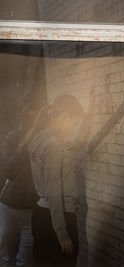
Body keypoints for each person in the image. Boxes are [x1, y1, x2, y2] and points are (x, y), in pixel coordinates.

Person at [27, 92, 93, 267]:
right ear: (65, 116)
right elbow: (55, 192)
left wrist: (88, 114)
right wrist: (62, 234)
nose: (72, 128)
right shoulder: (55, 146)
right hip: (58, 217)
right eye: (73, 123)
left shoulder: (39, 139)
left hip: (41, 215)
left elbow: (75, 142)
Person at [0, 98, 40, 267]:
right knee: (8, 258)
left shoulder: (44, 140)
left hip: (32, 211)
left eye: (33, 119)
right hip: (9, 207)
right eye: (26, 118)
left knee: (25, 261)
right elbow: (8, 170)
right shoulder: (13, 137)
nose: (28, 123)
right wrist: (25, 142)